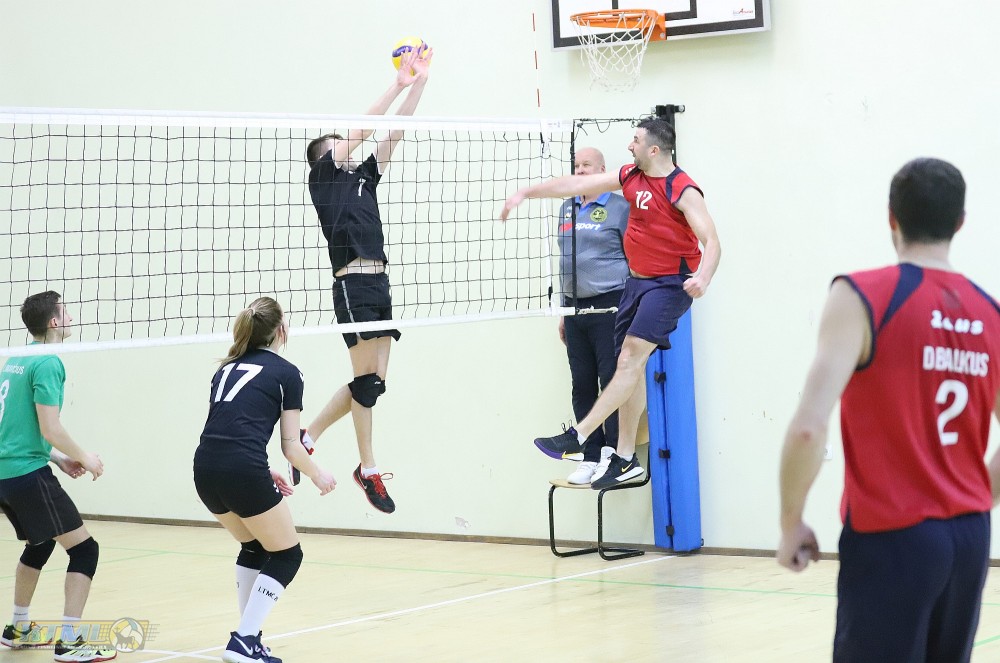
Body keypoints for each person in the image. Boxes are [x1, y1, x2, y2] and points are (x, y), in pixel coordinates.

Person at [777, 158, 1000, 662]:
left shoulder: (862, 295)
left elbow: (809, 428)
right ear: (960, 222)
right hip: (970, 540)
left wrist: (791, 522)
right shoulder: (990, 312)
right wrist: (972, 501)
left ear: (891, 217)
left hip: (893, 537)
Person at [501, 118, 721, 490]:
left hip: (669, 285)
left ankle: (580, 433)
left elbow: (712, 241)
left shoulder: (682, 189)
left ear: (654, 149)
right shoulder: (630, 175)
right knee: (628, 368)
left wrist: (704, 276)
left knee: (630, 356)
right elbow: (576, 185)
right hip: (636, 284)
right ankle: (625, 458)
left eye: (635, 140)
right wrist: (527, 192)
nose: (629, 145)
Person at [301, 45, 433, 514]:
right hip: (352, 283)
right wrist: (395, 83)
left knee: (372, 383)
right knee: (366, 383)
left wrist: (419, 83)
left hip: (380, 283)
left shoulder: (363, 179)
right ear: (324, 157)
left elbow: (395, 131)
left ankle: (309, 435)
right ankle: (368, 466)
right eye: (340, 145)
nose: (350, 148)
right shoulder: (323, 178)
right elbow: (363, 129)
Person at [193, 297, 336, 663]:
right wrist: (318, 475)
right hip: (241, 469)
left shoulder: (225, 369)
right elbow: (292, 446)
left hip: (205, 469)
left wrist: (259, 468)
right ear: (281, 330)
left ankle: (249, 639)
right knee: (288, 555)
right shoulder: (288, 373)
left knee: (255, 547)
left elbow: (227, 429)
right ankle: (244, 640)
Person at [0, 291, 116, 662]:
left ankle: (19, 628)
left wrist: (59, 459)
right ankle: (70, 642)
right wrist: (85, 458)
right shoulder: (48, 362)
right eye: (65, 312)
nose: (70, 317)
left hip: (5, 473)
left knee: (41, 542)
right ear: (54, 322)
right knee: (85, 550)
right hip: (25, 474)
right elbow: (50, 427)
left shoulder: (16, 357)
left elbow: (16, 426)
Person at [556, 147, 631, 485]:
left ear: (602, 169)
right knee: (581, 383)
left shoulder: (619, 207)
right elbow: (566, 261)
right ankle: (590, 454)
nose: (580, 170)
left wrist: (632, 308)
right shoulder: (567, 207)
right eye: (576, 165)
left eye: (587, 164)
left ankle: (612, 454)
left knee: (610, 381)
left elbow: (634, 259)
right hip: (575, 309)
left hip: (610, 306)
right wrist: (563, 308)